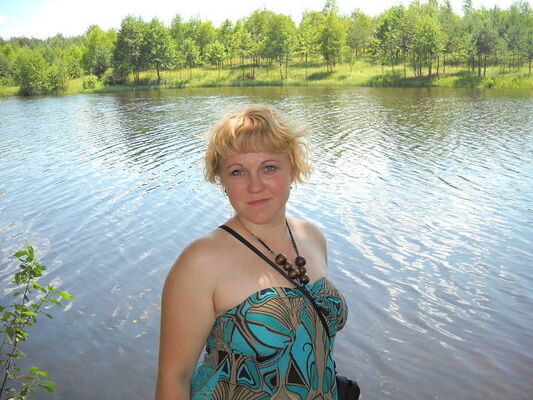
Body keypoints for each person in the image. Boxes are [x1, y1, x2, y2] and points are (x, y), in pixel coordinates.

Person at [156, 105, 348, 399]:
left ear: (293, 169)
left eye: (269, 167)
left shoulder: (312, 237)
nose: (254, 186)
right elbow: (174, 378)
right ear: (222, 181)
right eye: (237, 172)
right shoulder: (201, 261)